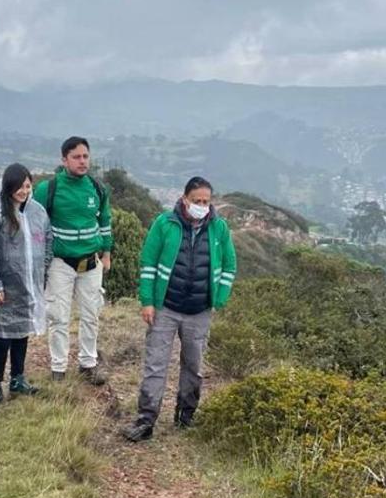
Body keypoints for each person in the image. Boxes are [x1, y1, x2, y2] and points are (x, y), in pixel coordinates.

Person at [122, 176, 237, 442]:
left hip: (199, 310)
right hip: (166, 308)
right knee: (155, 365)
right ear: (184, 199)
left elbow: (230, 265)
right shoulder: (165, 224)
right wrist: (148, 302)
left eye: (206, 201)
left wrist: (218, 298)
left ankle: (186, 416)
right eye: (196, 201)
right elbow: (148, 262)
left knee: (194, 365)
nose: (201, 205)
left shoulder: (219, 228)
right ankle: (145, 420)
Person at [33, 137, 112, 385]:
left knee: (91, 314)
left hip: (91, 263)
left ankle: (88, 364)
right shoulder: (49, 188)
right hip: (60, 263)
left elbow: (105, 222)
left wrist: (107, 253)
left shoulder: (97, 188)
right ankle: (58, 368)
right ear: (64, 159)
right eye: (76, 157)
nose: (82, 161)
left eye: (85, 156)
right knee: (59, 316)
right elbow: (36, 223)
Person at [0, 163, 52, 413]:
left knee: (22, 331)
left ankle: (18, 379)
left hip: (29, 285)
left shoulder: (37, 211)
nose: (23, 191)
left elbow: (48, 240)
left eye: (27, 186)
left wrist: (43, 272)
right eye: (18, 186)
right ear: (8, 186)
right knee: (2, 336)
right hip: (5, 287)